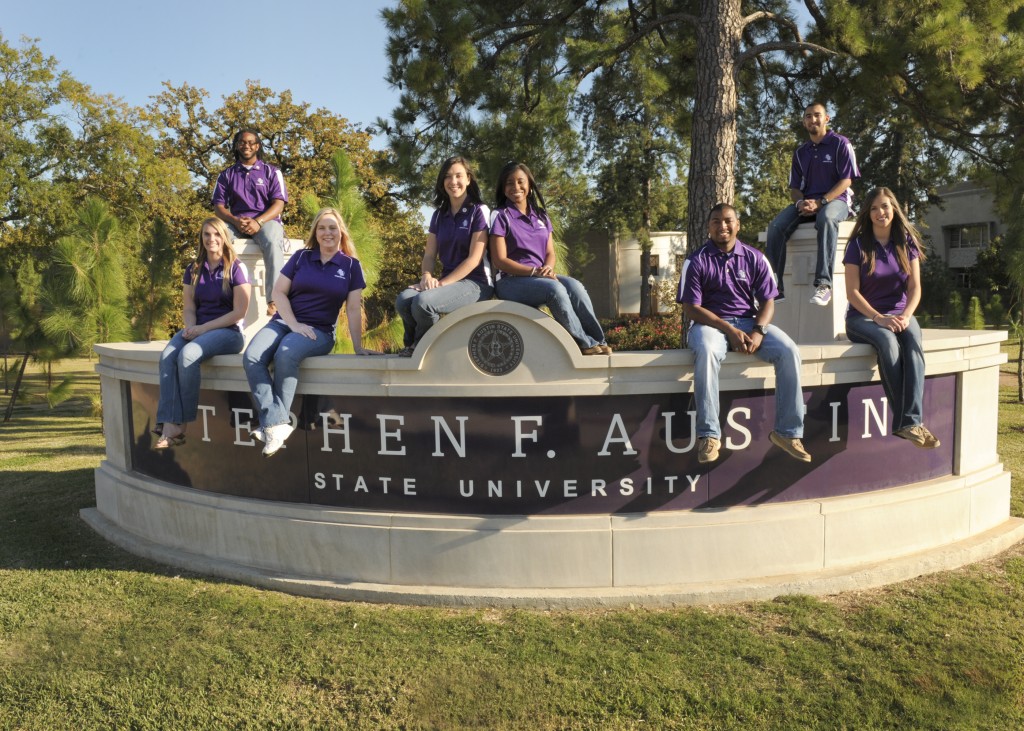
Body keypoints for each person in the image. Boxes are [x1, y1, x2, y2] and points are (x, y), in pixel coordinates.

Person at [678, 203, 811, 464]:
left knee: (788, 350)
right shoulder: (696, 261)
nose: (722, 226)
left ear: (738, 225)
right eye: (716, 221)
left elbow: (768, 301)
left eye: (728, 220)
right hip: (710, 326)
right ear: (708, 227)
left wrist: (759, 331)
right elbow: (691, 308)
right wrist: (728, 329)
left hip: (749, 323)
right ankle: (709, 435)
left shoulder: (754, 257)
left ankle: (787, 432)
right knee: (706, 351)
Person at [243, 207, 372, 457]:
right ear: (315, 232)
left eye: (332, 227)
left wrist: (358, 346)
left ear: (341, 232)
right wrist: (293, 324)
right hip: (285, 323)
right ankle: (277, 423)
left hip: (319, 332)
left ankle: (272, 423)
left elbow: (354, 309)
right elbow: (278, 292)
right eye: (322, 228)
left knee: (286, 354)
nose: (327, 233)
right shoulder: (302, 257)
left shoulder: (351, 266)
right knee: (252, 356)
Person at [843, 187, 939, 448]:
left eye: (885, 206)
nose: (880, 212)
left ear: (894, 209)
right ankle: (909, 423)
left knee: (913, 347)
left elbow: (915, 287)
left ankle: (910, 422)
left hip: (901, 313)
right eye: (874, 208)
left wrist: (906, 316)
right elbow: (852, 293)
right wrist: (879, 318)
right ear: (868, 213)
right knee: (887, 343)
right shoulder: (857, 245)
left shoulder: (906, 242)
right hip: (863, 317)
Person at [489, 161, 611, 355]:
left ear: (529, 186)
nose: (516, 187)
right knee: (554, 289)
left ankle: (599, 340)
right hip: (510, 282)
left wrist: (547, 267)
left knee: (575, 287)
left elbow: (550, 252)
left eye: (521, 182)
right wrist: (534, 271)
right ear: (503, 189)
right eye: (509, 183)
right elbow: (499, 260)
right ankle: (583, 343)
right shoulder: (500, 215)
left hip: (539, 276)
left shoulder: (541, 216)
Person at [155, 218, 252, 449]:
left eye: (216, 234)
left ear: (224, 238)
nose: (212, 239)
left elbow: (239, 312)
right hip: (198, 328)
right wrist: (190, 327)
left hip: (228, 332)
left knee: (187, 355)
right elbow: (189, 306)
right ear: (201, 238)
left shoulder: (236, 268)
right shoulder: (193, 269)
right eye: (207, 234)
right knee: (168, 355)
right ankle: (168, 421)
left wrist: (202, 329)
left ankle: (182, 423)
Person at [395, 156, 494, 356]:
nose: (453, 181)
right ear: (442, 182)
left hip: (477, 283)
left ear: (468, 179)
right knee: (404, 300)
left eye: (458, 175)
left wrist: (439, 285)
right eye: (448, 177)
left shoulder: (478, 210)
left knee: (424, 303)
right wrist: (426, 277)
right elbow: (430, 255)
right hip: (447, 282)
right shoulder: (439, 215)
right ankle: (415, 344)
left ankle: (421, 347)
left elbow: (474, 260)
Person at [765, 103, 860, 306]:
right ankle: (774, 287)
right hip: (808, 203)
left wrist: (822, 202)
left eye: (817, 115)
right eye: (808, 116)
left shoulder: (841, 144)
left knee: (826, 219)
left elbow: (846, 180)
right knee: (775, 227)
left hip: (837, 201)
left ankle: (824, 285)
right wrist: (800, 202)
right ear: (804, 122)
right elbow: (794, 188)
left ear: (827, 119)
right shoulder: (801, 152)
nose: (812, 119)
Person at [212, 129, 289, 316]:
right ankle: (218, 296)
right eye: (242, 142)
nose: (246, 146)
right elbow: (219, 207)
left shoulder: (272, 172)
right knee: (215, 238)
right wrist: (235, 221)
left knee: (272, 240)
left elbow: (279, 204)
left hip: (266, 221)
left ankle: (274, 299)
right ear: (237, 145)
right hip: (237, 222)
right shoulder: (226, 174)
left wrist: (259, 221)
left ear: (257, 146)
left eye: (251, 142)